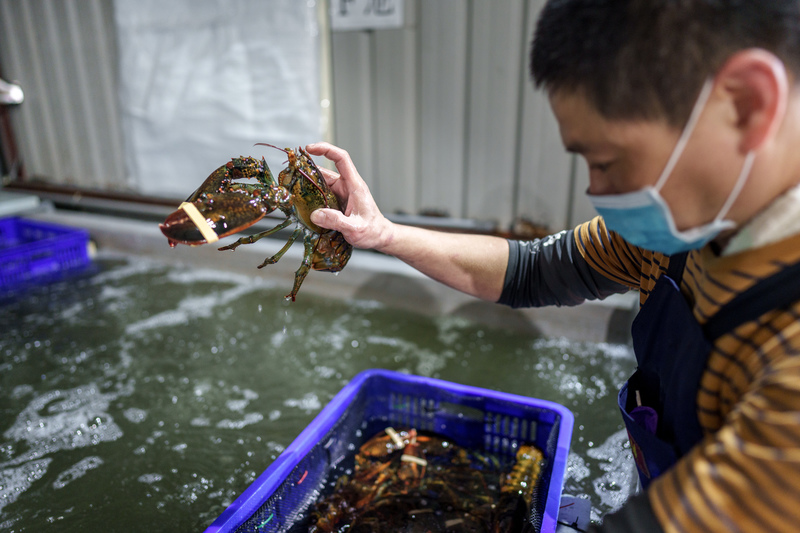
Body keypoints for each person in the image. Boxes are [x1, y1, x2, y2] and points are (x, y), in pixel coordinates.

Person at [306, 1, 800, 531]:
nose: (597, 190)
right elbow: (535, 269)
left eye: (607, 161)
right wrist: (384, 234)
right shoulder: (688, 226)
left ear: (748, 104)